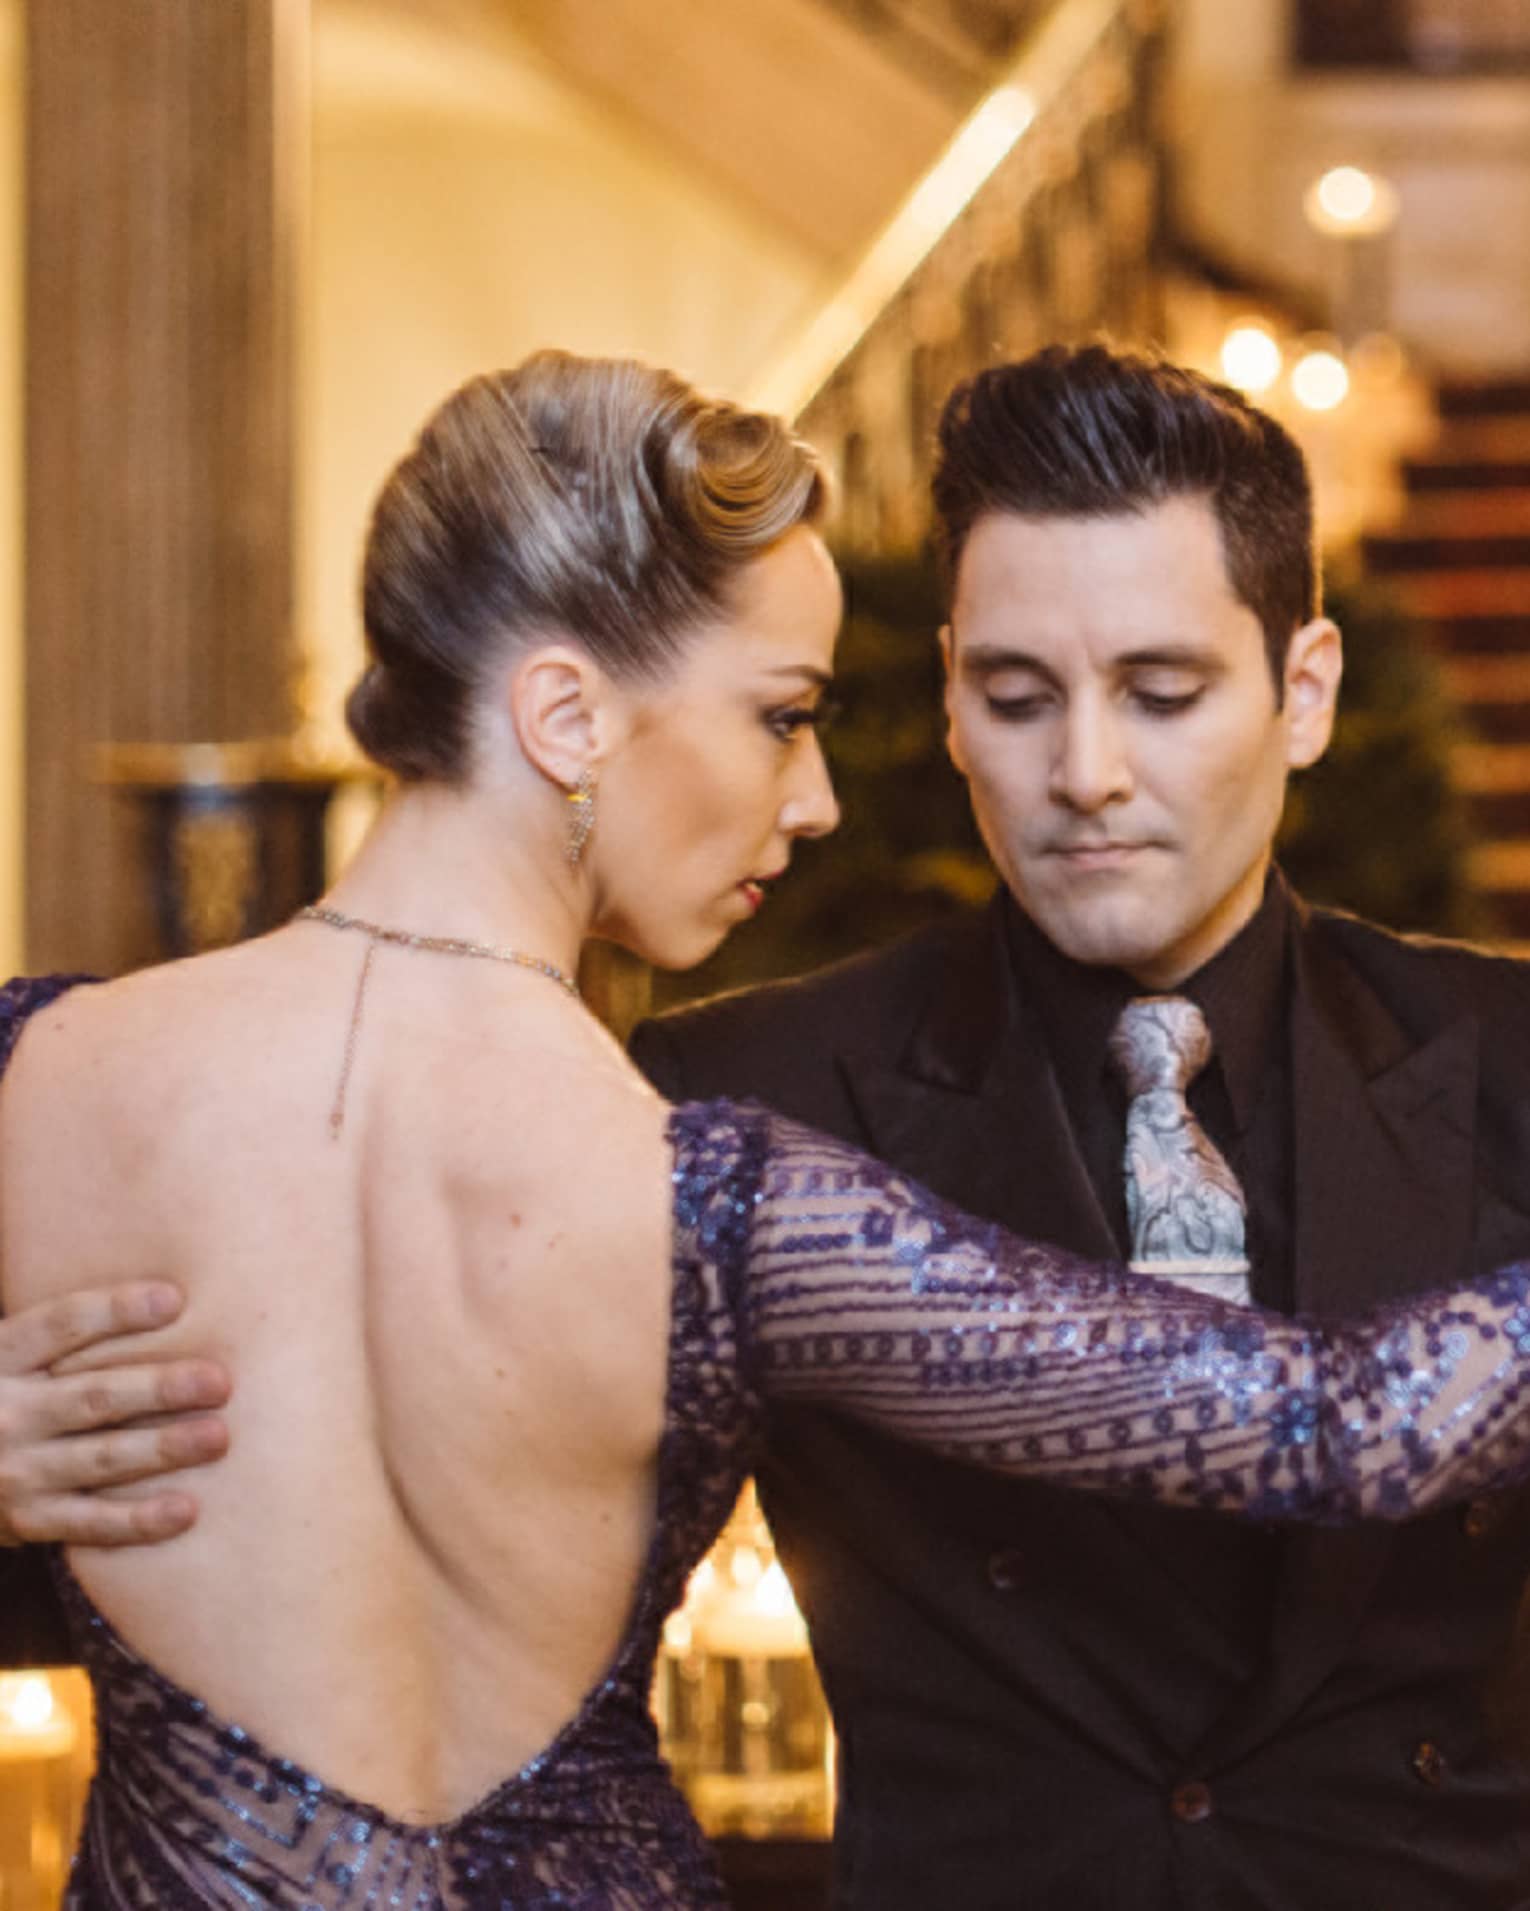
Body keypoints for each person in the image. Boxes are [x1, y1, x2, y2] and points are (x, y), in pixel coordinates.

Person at [3, 347, 1530, 1910]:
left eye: (1159, 691)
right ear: (564, 717)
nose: (813, 800)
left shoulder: (43, 1068)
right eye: (784, 717)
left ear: (1304, 689)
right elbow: (1344, 1423)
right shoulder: (708, 1131)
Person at [626, 344, 1530, 1910]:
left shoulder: (1509, 1057)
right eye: (1017, 697)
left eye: (1162, 693)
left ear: (1302, 692)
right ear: (950, 703)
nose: (1085, 776)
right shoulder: (748, 1086)